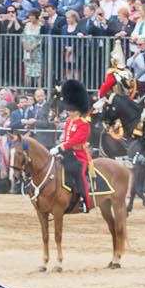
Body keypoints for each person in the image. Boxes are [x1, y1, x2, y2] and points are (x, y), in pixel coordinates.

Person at [57, 78, 94, 214]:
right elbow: (66, 138)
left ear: (78, 110)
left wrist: (63, 147)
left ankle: (85, 202)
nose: (69, 112)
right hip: (67, 153)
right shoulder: (68, 122)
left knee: (79, 174)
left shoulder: (83, 124)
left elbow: (76, 140)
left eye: (71, 110)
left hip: (80, 155)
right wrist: (60, 147)